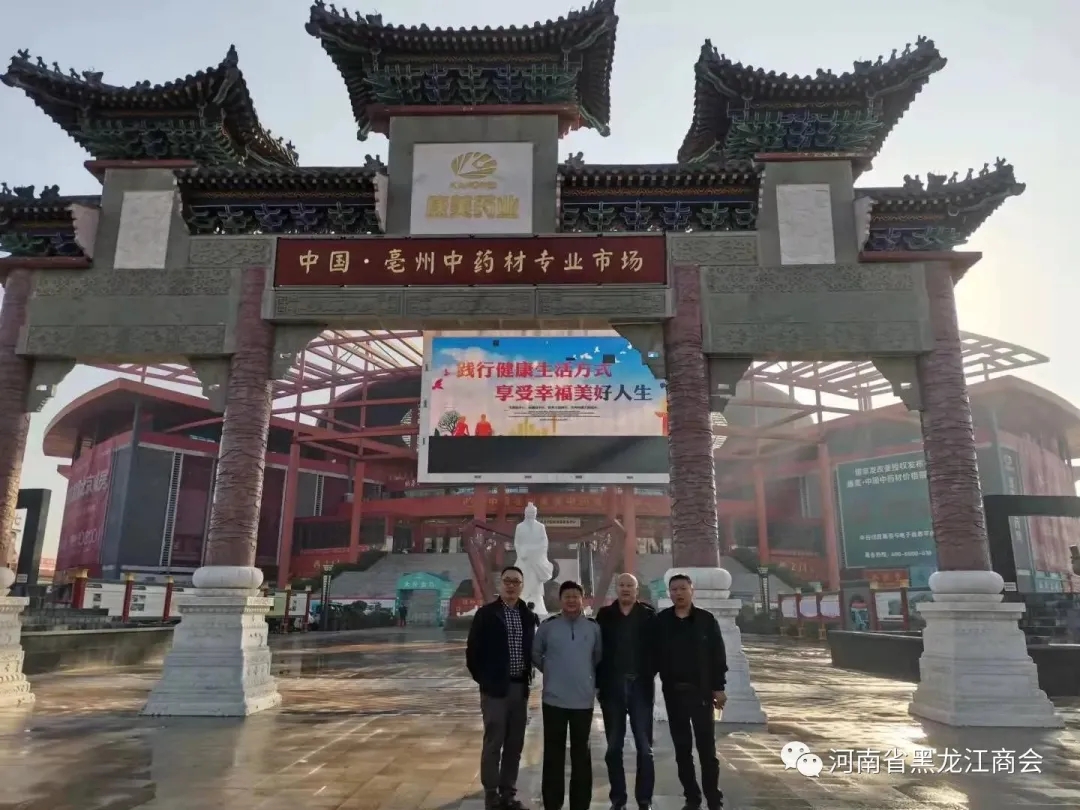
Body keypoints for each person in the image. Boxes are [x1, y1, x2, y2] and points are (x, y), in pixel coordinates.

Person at [466, 566, 538, 810]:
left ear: (522, 586)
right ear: (500, 584)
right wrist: (486, 681)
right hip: (495, 690)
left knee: (515, 744)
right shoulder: (486, 614)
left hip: (520, 687)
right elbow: (472, 653)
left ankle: (508, 793)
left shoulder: (527, 616)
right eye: (507, 580)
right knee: (493, 742)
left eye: (516, 581)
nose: (511, 585)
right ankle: (491, 794)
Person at [655, 574, 728, 810]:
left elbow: (718, 655)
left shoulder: (706, 620)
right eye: (674, 589)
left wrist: (719, 687)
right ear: (669, 593)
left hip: (702, 694)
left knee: (707, 750)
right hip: (674, 693)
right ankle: (692, 797)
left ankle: (714, 799)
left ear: (691, 590)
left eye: (682, 588)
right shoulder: (662, 621)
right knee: (682, 749)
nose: (678, 593)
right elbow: (652, 655)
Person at [532, 581, 602, 810]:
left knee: (582, 755)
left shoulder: (593, 627)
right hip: (554, 700)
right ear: (560, 600)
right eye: (567, 596)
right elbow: (536, 653)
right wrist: (552, 671)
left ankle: (580, 804)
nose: (571, 600)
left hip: (583, 701)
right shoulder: (548, 626)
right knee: (553, 753)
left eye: (575, 596)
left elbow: (598, 657)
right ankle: (552, 803)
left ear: (582, 599)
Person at [596, 573, 657, 810]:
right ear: (616, 588)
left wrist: (648, 672)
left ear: (636, 589)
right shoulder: (605, 615)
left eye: (629, 585)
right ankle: (618, 800)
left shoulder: (648, 616)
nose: (625, 589)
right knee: (613, 748)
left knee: (645, 748)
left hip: (640, 687)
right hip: (612, 688)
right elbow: (597, 651)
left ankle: (644, 800)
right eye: (621, 585)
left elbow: (658, 649)